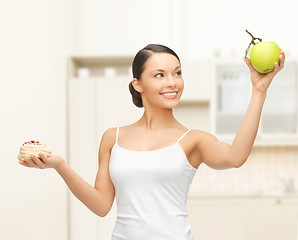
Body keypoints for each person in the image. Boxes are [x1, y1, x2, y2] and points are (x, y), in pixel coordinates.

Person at [19, 43, 285, 239]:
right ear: (138, 84)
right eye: (160, 75)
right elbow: (101, 205)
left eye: (177, 73)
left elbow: (235, 157)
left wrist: (259, 91)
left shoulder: (192, 140)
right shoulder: (113, 137)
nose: (172, 83)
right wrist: (60, 165)